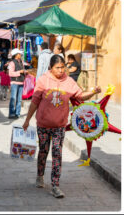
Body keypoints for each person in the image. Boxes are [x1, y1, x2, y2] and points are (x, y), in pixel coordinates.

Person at [23, 55, 102, 198]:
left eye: (62, 67)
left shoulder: (69, 82)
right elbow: (34, 101)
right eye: (57, 68)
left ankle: (55, 185)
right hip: (43, 124)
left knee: (57, 154)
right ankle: (40, 176)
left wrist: (94, 92)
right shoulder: (43, 80)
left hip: (59, 126)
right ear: (51, 68)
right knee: (43, 151)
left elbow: (80, 96)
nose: (60, 70)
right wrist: (27, 120)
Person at [7, 48, 30, 119]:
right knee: (13, 98)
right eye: (19, 54)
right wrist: (19, 72)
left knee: (19, 99)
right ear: (16, 55)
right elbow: (10, 74)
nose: (20, 55)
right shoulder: (12, 63)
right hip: (14, 83)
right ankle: (11, 113)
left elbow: (22, 70)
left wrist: (25, 72)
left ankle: (17, 113)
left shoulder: (21, 62)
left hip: (21, 82)